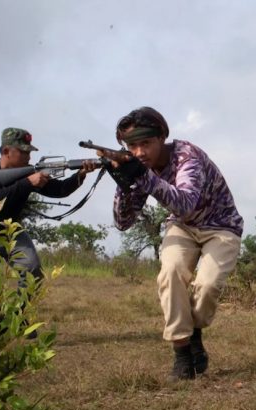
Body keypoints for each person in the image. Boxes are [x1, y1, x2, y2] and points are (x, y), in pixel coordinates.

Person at [98, 106, 243, 382]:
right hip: (182, 227)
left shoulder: (187, 156)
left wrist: (141, 176)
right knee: (170, 273)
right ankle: (182, 353)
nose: (139, 152)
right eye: (132, 146)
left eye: (146, 143)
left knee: (208, 285)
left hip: (221, 226)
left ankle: (194, 332)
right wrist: (123, 182)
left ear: (162, 137)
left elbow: (186, 203)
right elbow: (123, 221)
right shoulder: (141, 168)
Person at [0, 127, 98, 290]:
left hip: (11, 230)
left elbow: (60, 190)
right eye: (23, 152)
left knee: (33, 271)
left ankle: (21, 314)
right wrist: (28, 183)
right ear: (6, 151)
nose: (29, 156)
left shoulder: (29, 172)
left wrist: (80, 174)